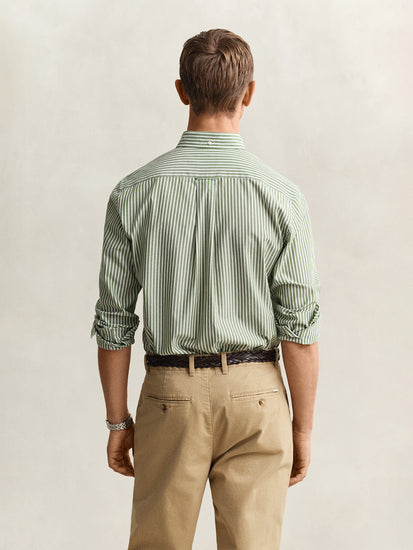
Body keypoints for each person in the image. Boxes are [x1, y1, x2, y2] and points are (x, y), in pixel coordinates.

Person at [90, 28, 321, 550]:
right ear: (249, 93)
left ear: (182, 90)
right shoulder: (282, 196)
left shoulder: (134, 193)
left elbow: (114, 322)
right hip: (258, 396)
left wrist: (117, 421)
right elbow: (300, 329)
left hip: (169, 396)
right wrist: (302, 429)